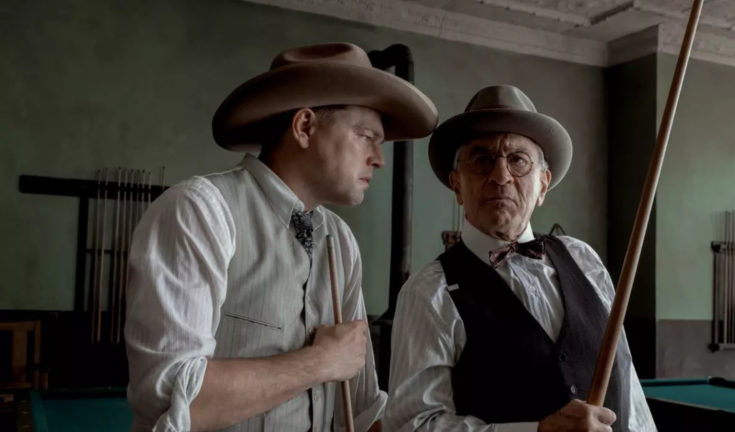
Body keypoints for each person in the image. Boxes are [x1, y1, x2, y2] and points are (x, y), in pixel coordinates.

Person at [124, 42, 438, 432]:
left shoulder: (340, 241)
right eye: (365, 136)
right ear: (305, 127)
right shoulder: (199, 211)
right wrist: (320, 362)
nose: (379, 158)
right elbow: (170, 400)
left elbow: (362, 409)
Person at [384, 85, 656, 432]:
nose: (501, 177)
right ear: (457, 184)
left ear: (543, 184)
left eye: (518, 160)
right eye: (482, 160)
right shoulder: (428, 292)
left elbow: (629, 390)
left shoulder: (583, 259)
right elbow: (413, 425)